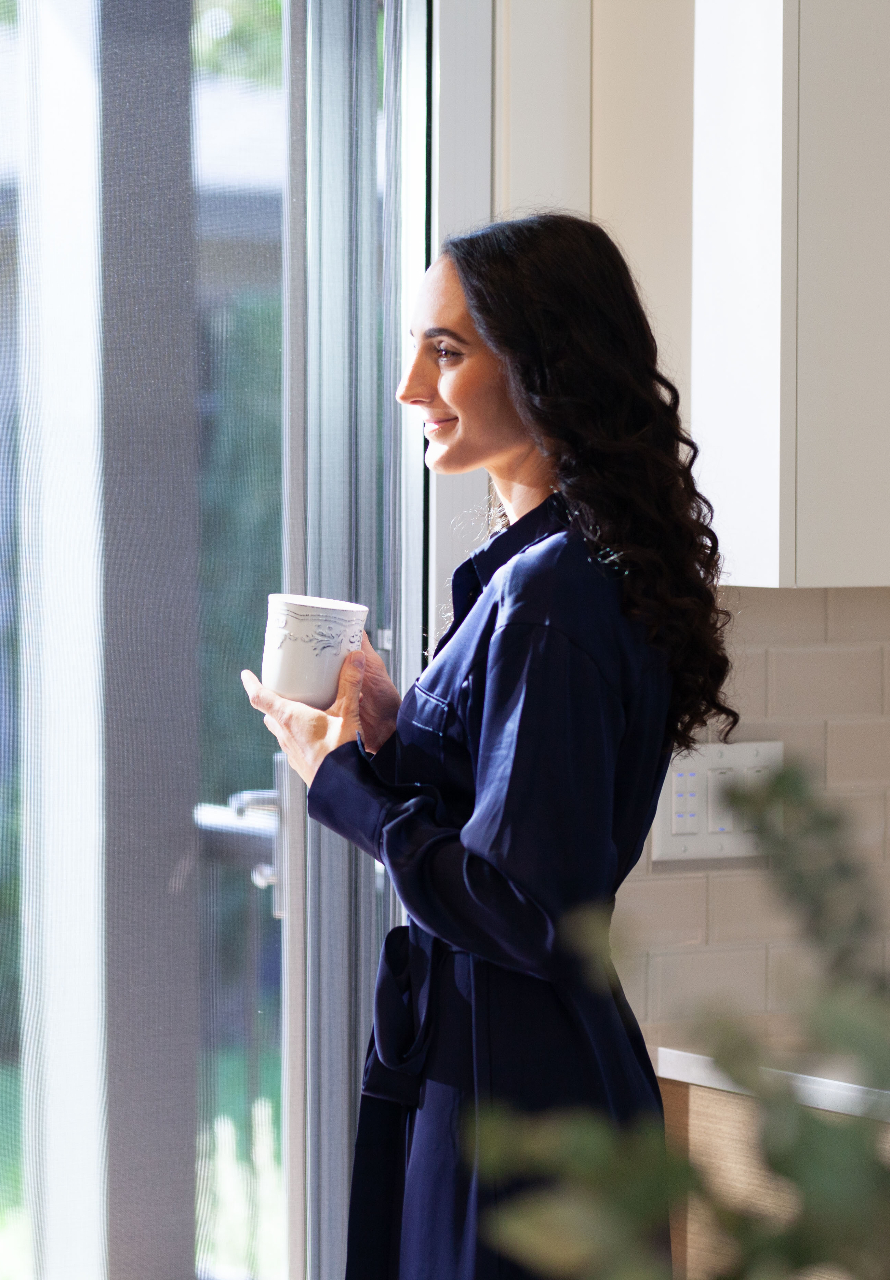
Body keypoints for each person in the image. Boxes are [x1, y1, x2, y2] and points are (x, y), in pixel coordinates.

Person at [241, 213, 737, 1280]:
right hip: (519, 1071)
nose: (411, 384)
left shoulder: (550, 594)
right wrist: (389, 734)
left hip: (520, 1103)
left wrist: (341, 785)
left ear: (547, 365)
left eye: (448, 350)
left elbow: (527, 907)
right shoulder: (551, 572)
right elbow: (510, 817)